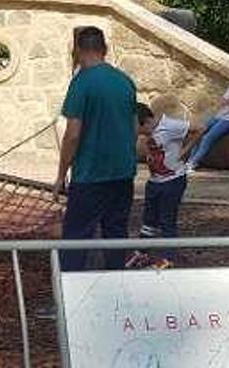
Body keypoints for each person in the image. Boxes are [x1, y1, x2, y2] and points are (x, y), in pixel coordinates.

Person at [53, 26, 138, 271]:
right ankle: (116, 291)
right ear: (105, 49)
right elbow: (133, 129)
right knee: (116, 234)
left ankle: (72, 295)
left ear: (78, 50)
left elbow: (72, 135)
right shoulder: (125, 81)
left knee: (76, 239)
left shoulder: (81, 83)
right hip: (123, 174)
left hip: (90, 175)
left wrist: (61, 175)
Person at [126, 103, 197, 269]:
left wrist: (186, 150)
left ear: (147, 121)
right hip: (154, 180)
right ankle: (142, 253)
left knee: (167, 220)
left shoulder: (170, 125)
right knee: (148, 219)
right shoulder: (148, 133)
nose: (139, 133)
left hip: (172, 181)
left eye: (139, 128)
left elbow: (200, 128)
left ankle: (168, 257)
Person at [184, 62, 229, 171]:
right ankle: (189, 160)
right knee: (199, 132)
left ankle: (193, 163)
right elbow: (224, 101)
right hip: (220, 115)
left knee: (209, 137)